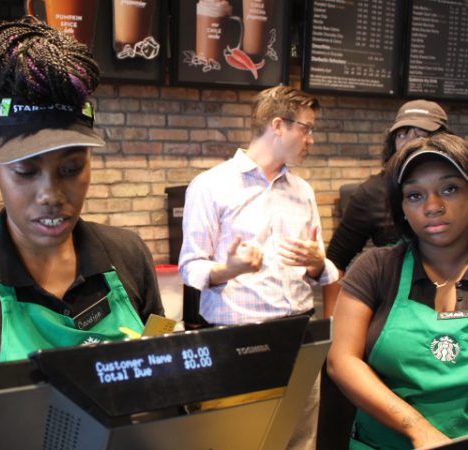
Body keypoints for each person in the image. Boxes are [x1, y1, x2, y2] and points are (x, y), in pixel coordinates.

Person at [0, 17, 163, 448]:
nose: (51, 194)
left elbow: (160, 386)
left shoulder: (127, 256)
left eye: (71, 169)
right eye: (25, 172)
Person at [179, 85, 339, 450]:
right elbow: (191, 267)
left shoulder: (303, 191)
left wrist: (318, 264)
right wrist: (230, 270)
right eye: (307, 128)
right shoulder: (211, 186)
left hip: (299, 334)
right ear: (279, 125)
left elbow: (320, 268)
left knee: (299, 440)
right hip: (237, 341)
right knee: (237, 441)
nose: (311, 139)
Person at [327, 133, 468, 449]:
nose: (433, 206)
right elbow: (342, 360)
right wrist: (418, 428)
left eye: (449, 189)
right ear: (401, 208)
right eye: (415, 195)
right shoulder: (376, 268)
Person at [322, 100, 450, 317]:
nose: (409, 142)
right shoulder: (371, 194)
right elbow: (335, 260)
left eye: (421, 133)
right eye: (402, 134)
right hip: (395, 312)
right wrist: (333, 325)